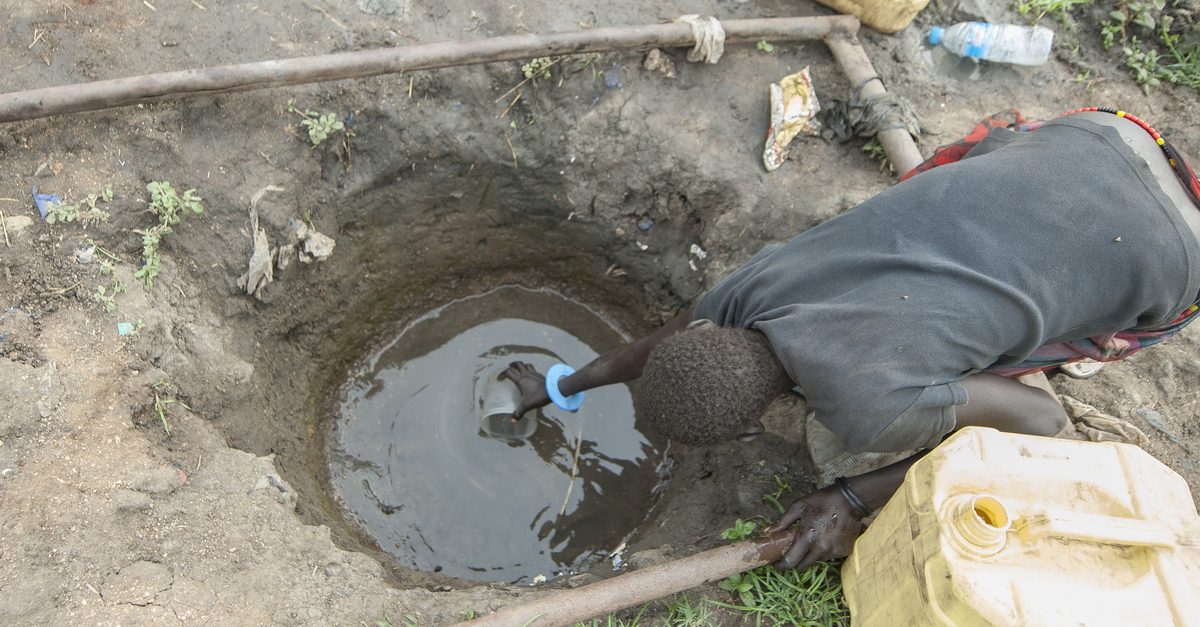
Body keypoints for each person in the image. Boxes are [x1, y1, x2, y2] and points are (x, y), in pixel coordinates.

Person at [501, 108, 1200, 573]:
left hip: (1180, 256)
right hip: (1103, 135)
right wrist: (560, 385)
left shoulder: (871, 409)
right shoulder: (744, 292)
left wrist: (853, 498)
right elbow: (649, 349)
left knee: (1021, 363)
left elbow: (1045, 419)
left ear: (751, 428)